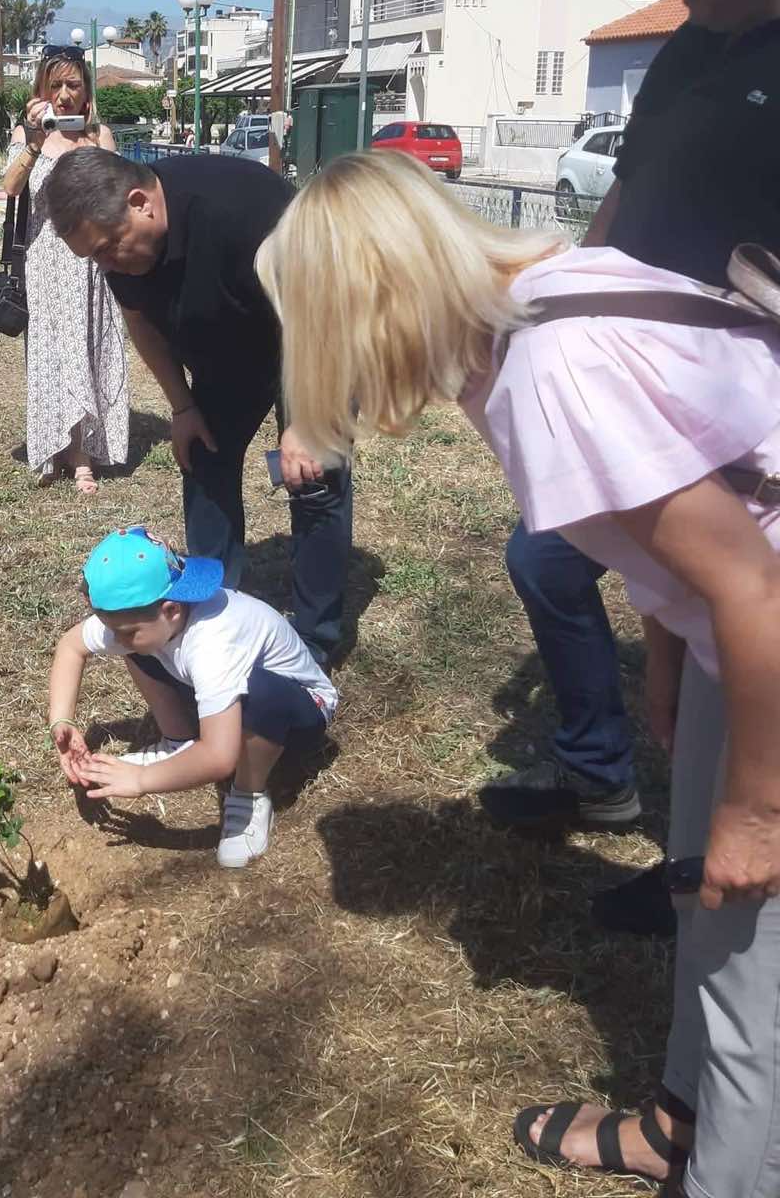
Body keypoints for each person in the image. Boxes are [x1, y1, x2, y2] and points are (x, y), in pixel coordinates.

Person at [257, 148, 780, 1197]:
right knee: (709, 922)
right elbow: (705, 502)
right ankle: (681, 1125)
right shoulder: (537, 302)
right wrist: (673, 663)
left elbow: (758, 587)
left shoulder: (555, 375)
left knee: (758, 990)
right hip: (740, 641)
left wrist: (759, 809)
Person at [483, 0, 780, 943]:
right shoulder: (694, 48)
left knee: (730, 598)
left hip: (730, 405)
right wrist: (552, 301)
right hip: (628, 373)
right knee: (558, 558)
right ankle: (641, 802)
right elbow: (627, 207)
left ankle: (719, 850)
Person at [43, 146, 352, 666]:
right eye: (92, 258)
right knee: (204, 455)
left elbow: (319, 310)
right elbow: (140, 322)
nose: (106, 265)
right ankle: (213, 618)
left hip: (314, 332)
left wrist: (305, 421)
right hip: (229, 349)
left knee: (313, 476)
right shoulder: (121, 248)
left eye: (107, 249)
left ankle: (316, 644)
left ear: (140, 203)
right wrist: (183, 407)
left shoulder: (239, 206)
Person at [47, 525, 337, 867]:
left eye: (125, 632)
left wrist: (142, 780)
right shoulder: (143, 618)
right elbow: (71, 646)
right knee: (140, 649)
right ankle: (177, 743)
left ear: (171, 610)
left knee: (258, 691)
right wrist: (62, 720)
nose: (117, 639)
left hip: (299, 710)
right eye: (112, 630)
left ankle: (249, 792)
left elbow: (218, 757)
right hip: (228, 688)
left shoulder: (215, 642)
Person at [2, 46, 128, 494]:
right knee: (54, 354)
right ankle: (59, 447)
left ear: (87, 90)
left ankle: (83, 451)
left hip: (91, 263)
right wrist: (35, 143)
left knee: (88, 350)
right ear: (40, 90)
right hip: (47, 263)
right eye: (54, 85)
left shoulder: (100, 137)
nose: (63, 95)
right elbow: (10, 187)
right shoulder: (27, 135)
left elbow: (118, 201)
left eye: (73, 84)